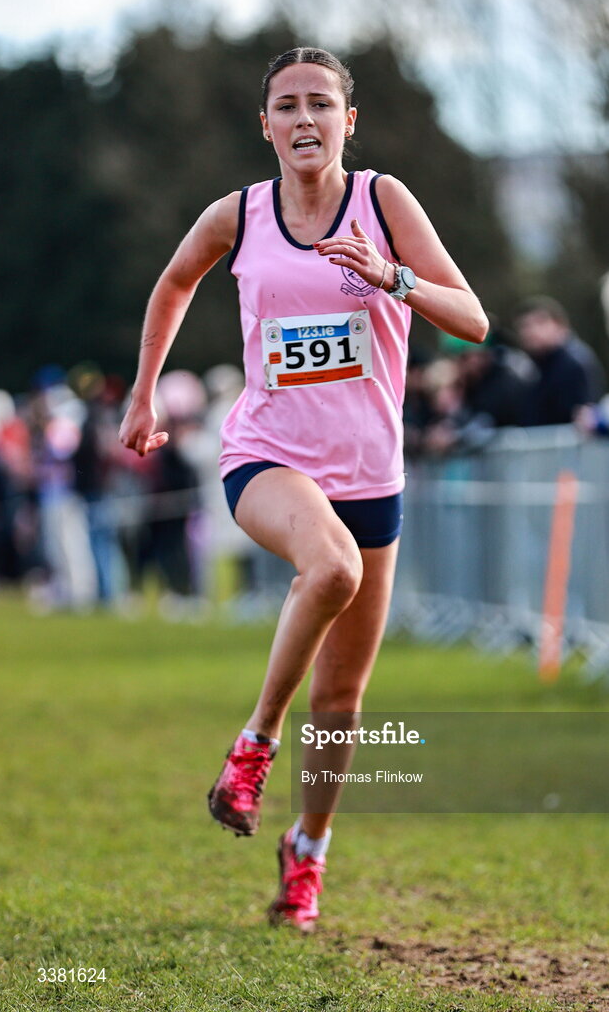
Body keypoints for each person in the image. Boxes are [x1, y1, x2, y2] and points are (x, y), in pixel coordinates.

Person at [119, 46, 488, 931]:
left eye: (321, 104)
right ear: (267, 126)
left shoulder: (383, 202)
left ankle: (307, 854)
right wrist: (142, 392)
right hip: (267, 458)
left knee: (342, 700)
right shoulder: (238, 215)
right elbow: (174, 281)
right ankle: (252, 746)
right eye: (286, 106)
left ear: (347, 122)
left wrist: (389, 276)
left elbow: (472, 321)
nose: (304, 120)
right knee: (328, 570)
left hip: (369, 475)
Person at [513, 296, 591, 425]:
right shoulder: (531, 367)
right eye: (524, 326)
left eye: (540, 323)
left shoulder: (574, 364)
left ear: (560, 325)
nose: (531, 332)